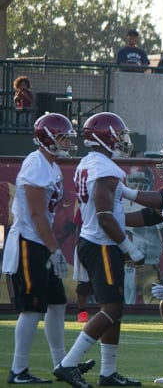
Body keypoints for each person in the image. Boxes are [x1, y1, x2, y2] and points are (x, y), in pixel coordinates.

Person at [53, 112, 163, 388]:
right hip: (102, 243)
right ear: (107, 135)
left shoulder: (92, 164)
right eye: (119, 133)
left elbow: (123, 205)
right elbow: (105, 217)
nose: (123, 138)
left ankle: (108, 373)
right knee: (112, 309)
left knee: (114, 310)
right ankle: (68, 364)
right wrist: (130, 248)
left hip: (97, 242)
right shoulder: (105, 169)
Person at [2, 113, 84, 384]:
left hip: (41, 242)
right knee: (32, 308)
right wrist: (54, 250)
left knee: (57, 303)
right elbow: (37, 215)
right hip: (29, 242)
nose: (66, 142)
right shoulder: (36, 164)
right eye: (61, 137)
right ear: (47, 138)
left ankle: (61, 364)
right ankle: (18, 369)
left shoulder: (51, 166)